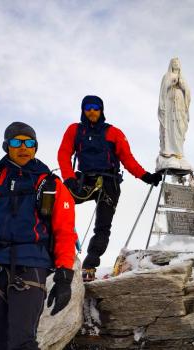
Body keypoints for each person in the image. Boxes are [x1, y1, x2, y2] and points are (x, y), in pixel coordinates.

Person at [0, 122, 77, 350]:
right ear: (6, 146)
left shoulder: (50, 184)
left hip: (31, 267)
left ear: (35, 147)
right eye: (17, 142)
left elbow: (65, 232)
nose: (23, 147)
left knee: (22, 342)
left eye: (29, 143)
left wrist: (64, 277)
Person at [58, 95, 162, 282]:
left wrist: (146, 177)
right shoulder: (75, 130)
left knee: (103, 226)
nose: (92, 111)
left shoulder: (114, 133)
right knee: (58, 203)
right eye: (88, 107)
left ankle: (90, 265)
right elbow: (64, 154)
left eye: (96, 107)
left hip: (108, 182)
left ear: (101, 110)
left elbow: (127, 159)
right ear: (83, 110)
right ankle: (57, 252)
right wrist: (69, 179)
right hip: (83, 181)